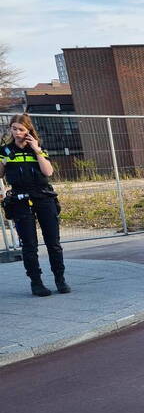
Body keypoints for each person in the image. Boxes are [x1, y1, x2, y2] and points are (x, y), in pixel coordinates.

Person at [0, 114, 68, 296]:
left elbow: (48, 171)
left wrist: (36, 150)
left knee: (53, 242)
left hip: (43, 196)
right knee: (29, 245)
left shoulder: (37, 148)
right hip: (20, 199)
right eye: (13, 128)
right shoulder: (5, 150)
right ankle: (36, 283)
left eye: (20, 129)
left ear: (28, 130)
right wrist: (4, 162)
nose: (17, 133)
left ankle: (60, 279)